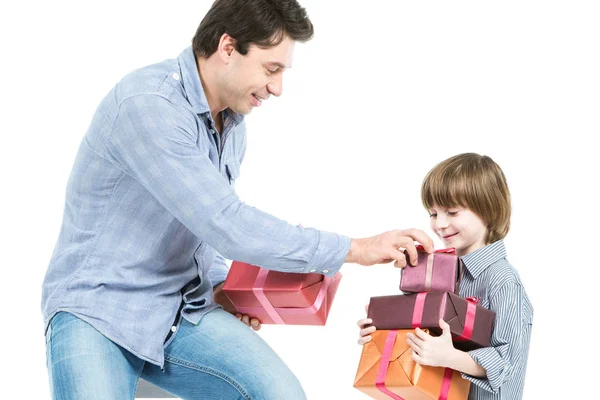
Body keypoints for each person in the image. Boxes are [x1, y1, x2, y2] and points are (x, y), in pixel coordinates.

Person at [41, 1, 434, 399]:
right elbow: (226, 223)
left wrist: (220, 288)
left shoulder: (231, 123)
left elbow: (199, 228)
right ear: (228, 47)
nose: (278, 88)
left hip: (180, 311)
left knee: (281, 394)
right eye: (271, 69)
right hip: (98, 310)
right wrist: (358, 248)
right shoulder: (150, 106)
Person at [357, 153, 533, 399]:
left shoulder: (503, 280)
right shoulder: (435, 273)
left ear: (488, 209)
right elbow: (423, 337)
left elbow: (508, 364)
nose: (439, 224)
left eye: (452, 212)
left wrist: (452, 357)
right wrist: (382, 333)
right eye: (433, 213)